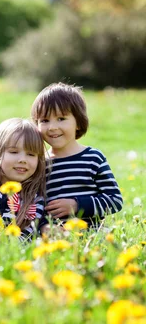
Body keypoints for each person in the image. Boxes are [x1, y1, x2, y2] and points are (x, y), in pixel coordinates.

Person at [31, 82, 123, 229]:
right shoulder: (39, 164)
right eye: (45, 121)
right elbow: (33, 205)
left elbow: (115, 200)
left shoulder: (93, 158)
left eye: (61, 118)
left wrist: (76, 205)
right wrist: (43, 227)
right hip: (55, 238)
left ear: (78, 123)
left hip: (91, 236)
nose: (52, 127)